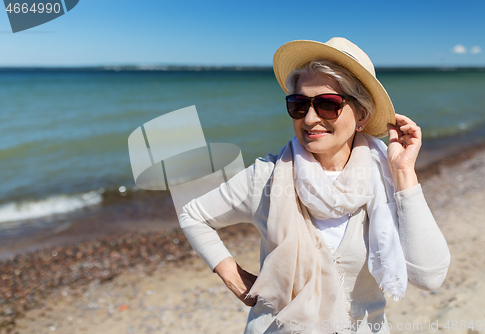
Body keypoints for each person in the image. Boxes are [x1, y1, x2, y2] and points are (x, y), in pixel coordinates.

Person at [179, 37, 450, 334]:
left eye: (327, 105)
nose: (309, 119)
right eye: (298, 104)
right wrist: (231, 274)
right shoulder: (267, 177)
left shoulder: (385, 177)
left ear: (362, 114)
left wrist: (404, 173)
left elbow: (430, 276)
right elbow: (193, 215)